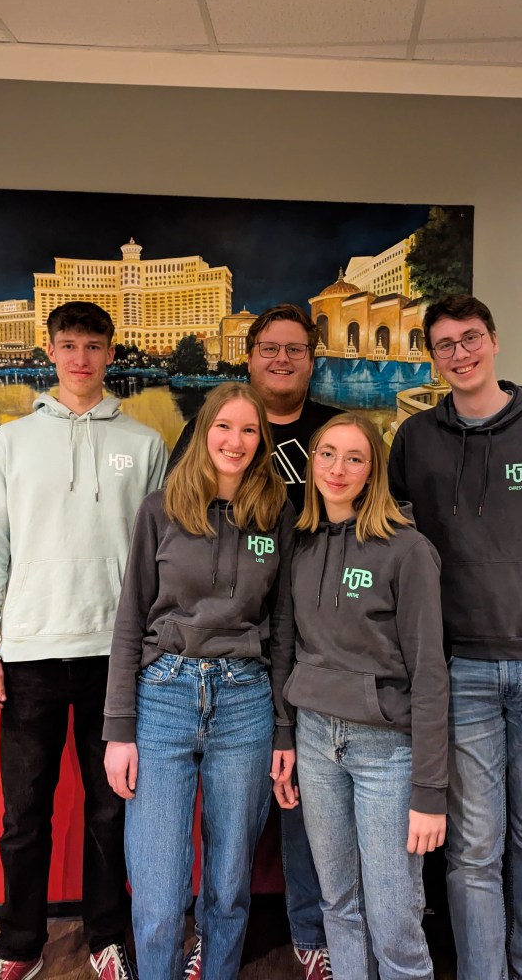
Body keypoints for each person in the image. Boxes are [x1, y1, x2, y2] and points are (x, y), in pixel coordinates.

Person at [388, 294, 522, 980]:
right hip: (458, 667)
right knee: (472, 850)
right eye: (445, 345)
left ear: (493, 341)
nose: (460, 354)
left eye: (470, 339)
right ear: (432, 358)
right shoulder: (414, 439)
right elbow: (391, 544)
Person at [0, 301, 168, 980]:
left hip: (116, 655)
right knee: (23, 815)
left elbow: (159, 557)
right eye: (68, 345)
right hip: (30, 650)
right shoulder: (8, 442)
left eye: (93, 346)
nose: (80, 358)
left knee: (109, 811)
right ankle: (19, 943)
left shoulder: (145, 444)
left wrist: (152, 646)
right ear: (50, 351)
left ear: (111, 354)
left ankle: (104, 936)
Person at [103, 381, 296, 980]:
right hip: (164, 696)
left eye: (249, 430)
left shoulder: (276, 512)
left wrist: (284, 731)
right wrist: (118, 730)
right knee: (159, 890)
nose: (235, 441)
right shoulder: (161, 508)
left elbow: (284, 627)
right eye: (224, 427)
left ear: (261, 440)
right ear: (204, 431)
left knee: (229, 884)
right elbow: (130, 617)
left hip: (245, 701)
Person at [169, 305, 341, 980]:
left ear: (312, 359)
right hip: (237, 645)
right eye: (269, 347)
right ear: (249, 356)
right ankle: (210, 938)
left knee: (306, 794)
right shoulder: (209, 429)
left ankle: (311, 932)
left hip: (323, 636)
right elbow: (179, 524)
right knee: (226, 815)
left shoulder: (335, 430)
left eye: (295, 349)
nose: (281, 359)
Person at [275, 412, 448, 980]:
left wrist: (430, 790)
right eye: (327, 454)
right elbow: (287, 647)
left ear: (373, 471)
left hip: (386, 751)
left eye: (355, 458)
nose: (338, 469)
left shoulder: (407, 549)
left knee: (395, 918)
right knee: (338, 904)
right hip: (316, 740)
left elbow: (430, 673)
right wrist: (286, 735)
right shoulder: (300, 545)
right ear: (311, 463)